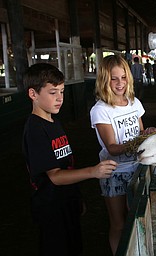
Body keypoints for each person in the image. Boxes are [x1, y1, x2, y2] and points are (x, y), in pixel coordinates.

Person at [22, 63, 118, 256]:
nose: (59, 98)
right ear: (33, 94)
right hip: (51, 207)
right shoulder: (35, 130)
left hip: (66, 201)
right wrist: (93, 171)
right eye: (52, 92)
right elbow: (55, 176)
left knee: (74, 247)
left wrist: (76, 197)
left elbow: (65, 163)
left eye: (62, 91)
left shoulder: (53, 121)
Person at [90, 55, 156, 255]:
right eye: (114, 78)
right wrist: (140, 143)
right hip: (114, 171)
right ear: (104, 80)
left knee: (137, 217)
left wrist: (148, 134)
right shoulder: (100, 110)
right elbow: (112, 147)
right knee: (119, 223)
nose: (120, 83)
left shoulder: (134, 103)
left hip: (137, 168)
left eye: (123, 77)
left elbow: (140, 131)